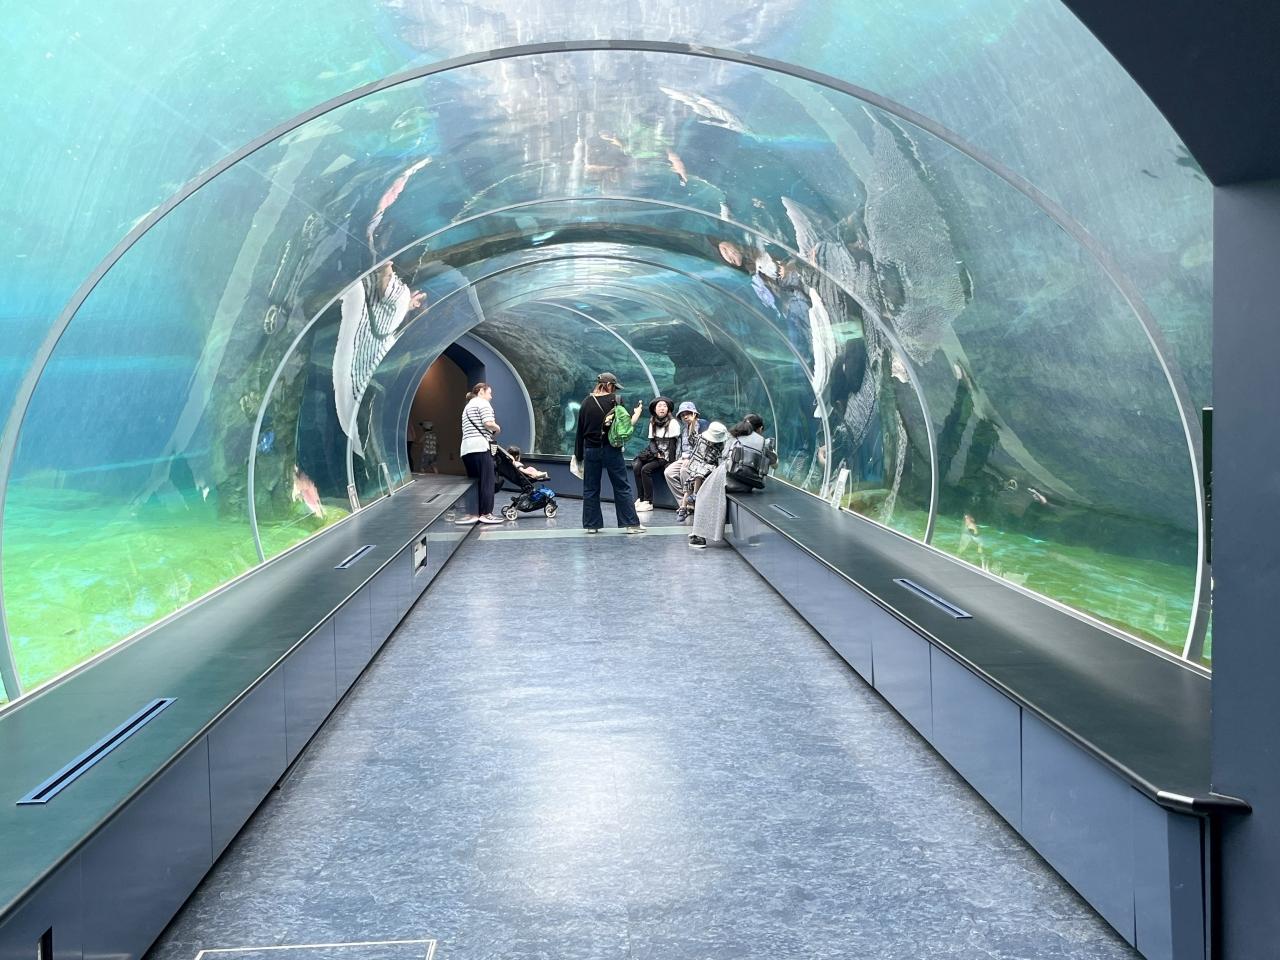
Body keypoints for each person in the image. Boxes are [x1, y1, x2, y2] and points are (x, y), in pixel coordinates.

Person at [689, 414, 778, 548]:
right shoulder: (762, 442)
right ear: (760, 428)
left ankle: (699, 537)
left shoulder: (734, 436)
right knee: (747, 499)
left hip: (729, 478)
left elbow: (724, 455)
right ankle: (753, 537)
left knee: (704, 495)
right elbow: (774, 462)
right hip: (749, 482)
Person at [573, 372, 644, 534]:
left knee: (590, 488)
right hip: (612, 449)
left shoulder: (586, 402)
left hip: (591, 450)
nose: (615, 391)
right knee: (621, 486)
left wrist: (579, 454)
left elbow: (580, 431)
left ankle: (592, 525)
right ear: (609, 385)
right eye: (614, 387)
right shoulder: (615, 401)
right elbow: (625, 427)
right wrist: (637, 414)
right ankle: (631, 524)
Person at [458, 382, 503, 524]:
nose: (491, 397)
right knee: (487, 481)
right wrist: (498, 428)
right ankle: (486, 513)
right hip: (481, 447)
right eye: (489, 393)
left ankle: (472, 513)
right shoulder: (483, 403)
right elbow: (488, 423)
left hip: (466, 449)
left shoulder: (467, 407)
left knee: (473, 482)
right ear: (481, 392)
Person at [632, 396, 680, 512]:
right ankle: (641, 498)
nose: (662, 408)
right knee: (637, 466)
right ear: (655, 409)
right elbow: (652, 441)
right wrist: (655, 452)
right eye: (659, 406)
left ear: (668, 409)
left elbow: (673, 444)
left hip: (665, 455)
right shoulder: (652, 421)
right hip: (654, 453)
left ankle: (648, 501)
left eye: (664, 406)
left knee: (646, 469)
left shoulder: (673, 423)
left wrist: (670, 463)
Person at [664, 401, 707, 520]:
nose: (685, 417)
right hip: (684, 458)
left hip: (699, 459)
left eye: (688, 413)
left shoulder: (702, 424)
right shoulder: (684, 429)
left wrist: (690, 458)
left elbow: (703, 446)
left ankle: (689, 505)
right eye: (683, 415)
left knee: (684, 470)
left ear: (694, 413)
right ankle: (684, 503)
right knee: (669, 472)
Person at [680, 420, 730, 521]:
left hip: (709, 467)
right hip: (696, 464)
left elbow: (721, 459)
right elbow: (692, 439)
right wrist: (692, 425)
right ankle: (683, 507)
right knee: (690, 482)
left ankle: (694, 497)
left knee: (697, 476)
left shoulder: (721, 445)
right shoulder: (701, 438)